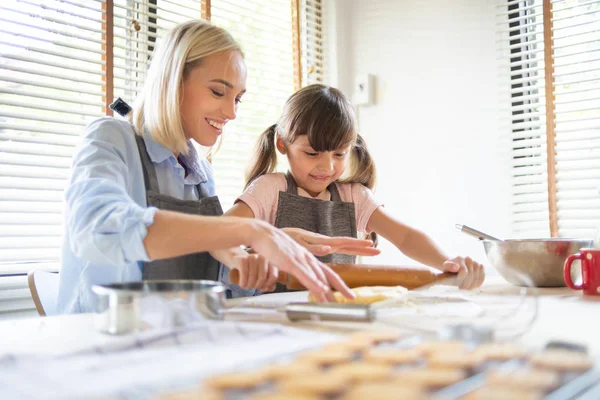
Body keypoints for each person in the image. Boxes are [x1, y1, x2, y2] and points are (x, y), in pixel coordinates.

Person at [56, 21, 377, 313]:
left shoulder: (200, 174)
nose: (231, 112)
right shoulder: (111, 138)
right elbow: (97, 228)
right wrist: (246, 230)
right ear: (172, 81)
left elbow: (214, 279)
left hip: (171, 338)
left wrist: (257, 256)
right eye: (218, 91)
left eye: (237, 99)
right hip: (101, 336)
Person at [225, 84, 485, 291]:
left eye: (339, 154)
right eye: (312, 153)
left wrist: (448, 262)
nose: (326, 167)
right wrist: (248, 256)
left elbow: (405, 237)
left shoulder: (353, 196)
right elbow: (223, 232)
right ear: (283, 145)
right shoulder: (270, 189)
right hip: (276, 313)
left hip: (338, 310)